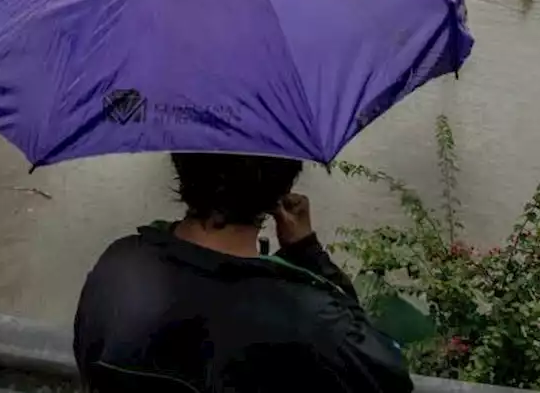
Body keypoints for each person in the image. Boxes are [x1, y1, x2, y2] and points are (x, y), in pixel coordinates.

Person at [73, 153, 414, 393]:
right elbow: (388, 376)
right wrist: (307, 252)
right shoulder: (311, 319)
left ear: (181, 163)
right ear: (281, 189)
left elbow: (88, 357)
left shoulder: (117, 263)